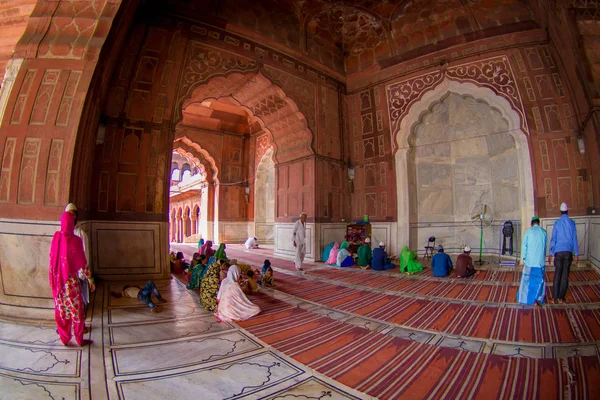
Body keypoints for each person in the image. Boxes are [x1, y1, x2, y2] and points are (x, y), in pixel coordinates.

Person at [49, 211, 94, 346]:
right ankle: (79, 340)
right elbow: (82, 264)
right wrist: (90, 279)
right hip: (71, 284)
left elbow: (51, 260)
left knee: (62, 312)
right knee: (77, 312)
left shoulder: (56, 238)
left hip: (58, 284)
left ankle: (64, 339)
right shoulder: (75, 240)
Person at [64, 204, 92, 326]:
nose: (71, 216)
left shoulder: (80, 234)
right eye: (68, 213)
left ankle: (81, 326)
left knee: (81, 300)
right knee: (68, 301)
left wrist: (82, 275)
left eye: (73, 213)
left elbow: (84, 257)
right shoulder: (61, 234)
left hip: (78, 275)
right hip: (66, 276)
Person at [549, 203, 579, 304]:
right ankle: (561, 298)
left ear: (561, 212)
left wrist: (550, 252)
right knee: (565, 274)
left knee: (557, 273)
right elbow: (574, 239)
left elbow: (554, 239)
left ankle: (554, 298)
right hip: (568, 252)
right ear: (567, 211)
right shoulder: (572, 223)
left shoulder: (557, 223)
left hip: (558, 252)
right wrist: (577, 254)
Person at [517, 216, 548, 306]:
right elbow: (544, 247)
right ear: (538, 223)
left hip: (529, 262)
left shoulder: (528, 232)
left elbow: (524, 246)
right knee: (539, 281)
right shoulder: (544, 232)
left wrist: (523, 258)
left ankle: (523, 299)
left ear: (531, 224)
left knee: (526, 280)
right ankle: (538, 299)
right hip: (539, 262)